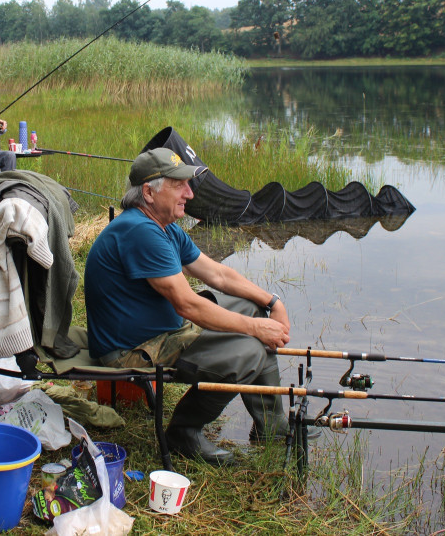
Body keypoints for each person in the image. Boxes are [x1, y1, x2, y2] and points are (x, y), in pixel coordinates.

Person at [84, 148, 291, 466]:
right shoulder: (140, 231)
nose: (190, 193)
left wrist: (271, 302)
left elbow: (218, 274)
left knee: (252, 308)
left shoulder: (164, 228)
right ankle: (183, 433)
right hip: (133, 348)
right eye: (179, 184)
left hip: (162, 330)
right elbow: (188, 304)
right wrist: (256, 328)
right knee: (250, 350)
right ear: (149, 193)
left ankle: (273, 431)